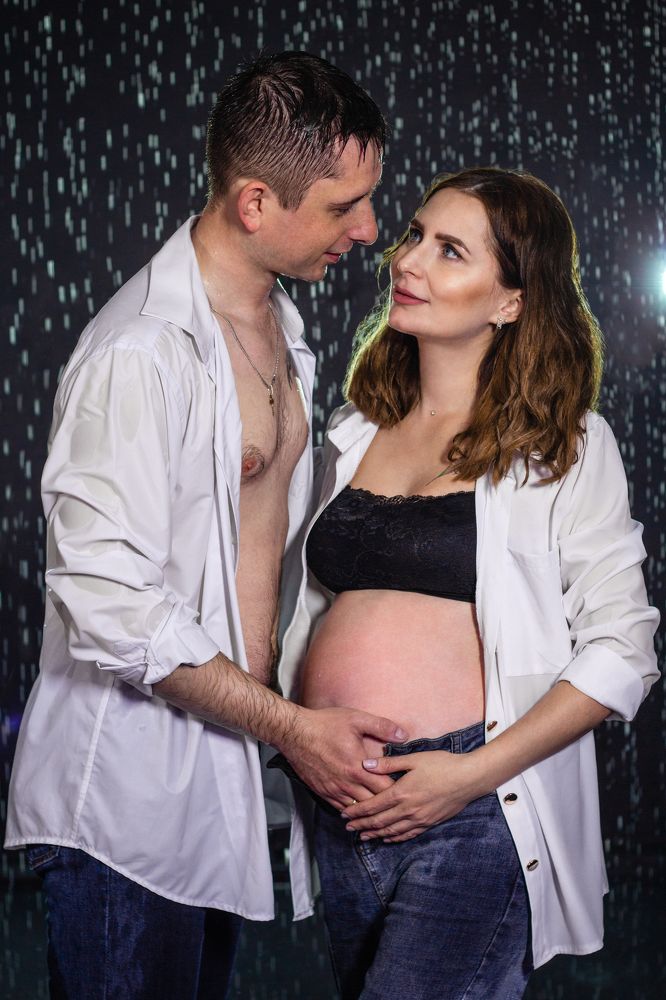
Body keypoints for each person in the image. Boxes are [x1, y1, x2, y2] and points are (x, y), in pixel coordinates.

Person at [4, 51, 408, 1000]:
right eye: (344, 206)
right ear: (255, 202)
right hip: (124, 809)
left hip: (222, 786)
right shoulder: (136, 353)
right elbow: (106, 605)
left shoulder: (284, 329)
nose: (369, 230)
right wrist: (292, 728)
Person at [276, 167, 660, 999]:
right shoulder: (351, 432)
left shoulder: (566, 447)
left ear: (511, 301)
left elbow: (624, 649)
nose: (408, 261)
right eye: (415, 235)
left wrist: (471, 774)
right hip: (343, 801)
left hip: (472, 807)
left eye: (450, 251)